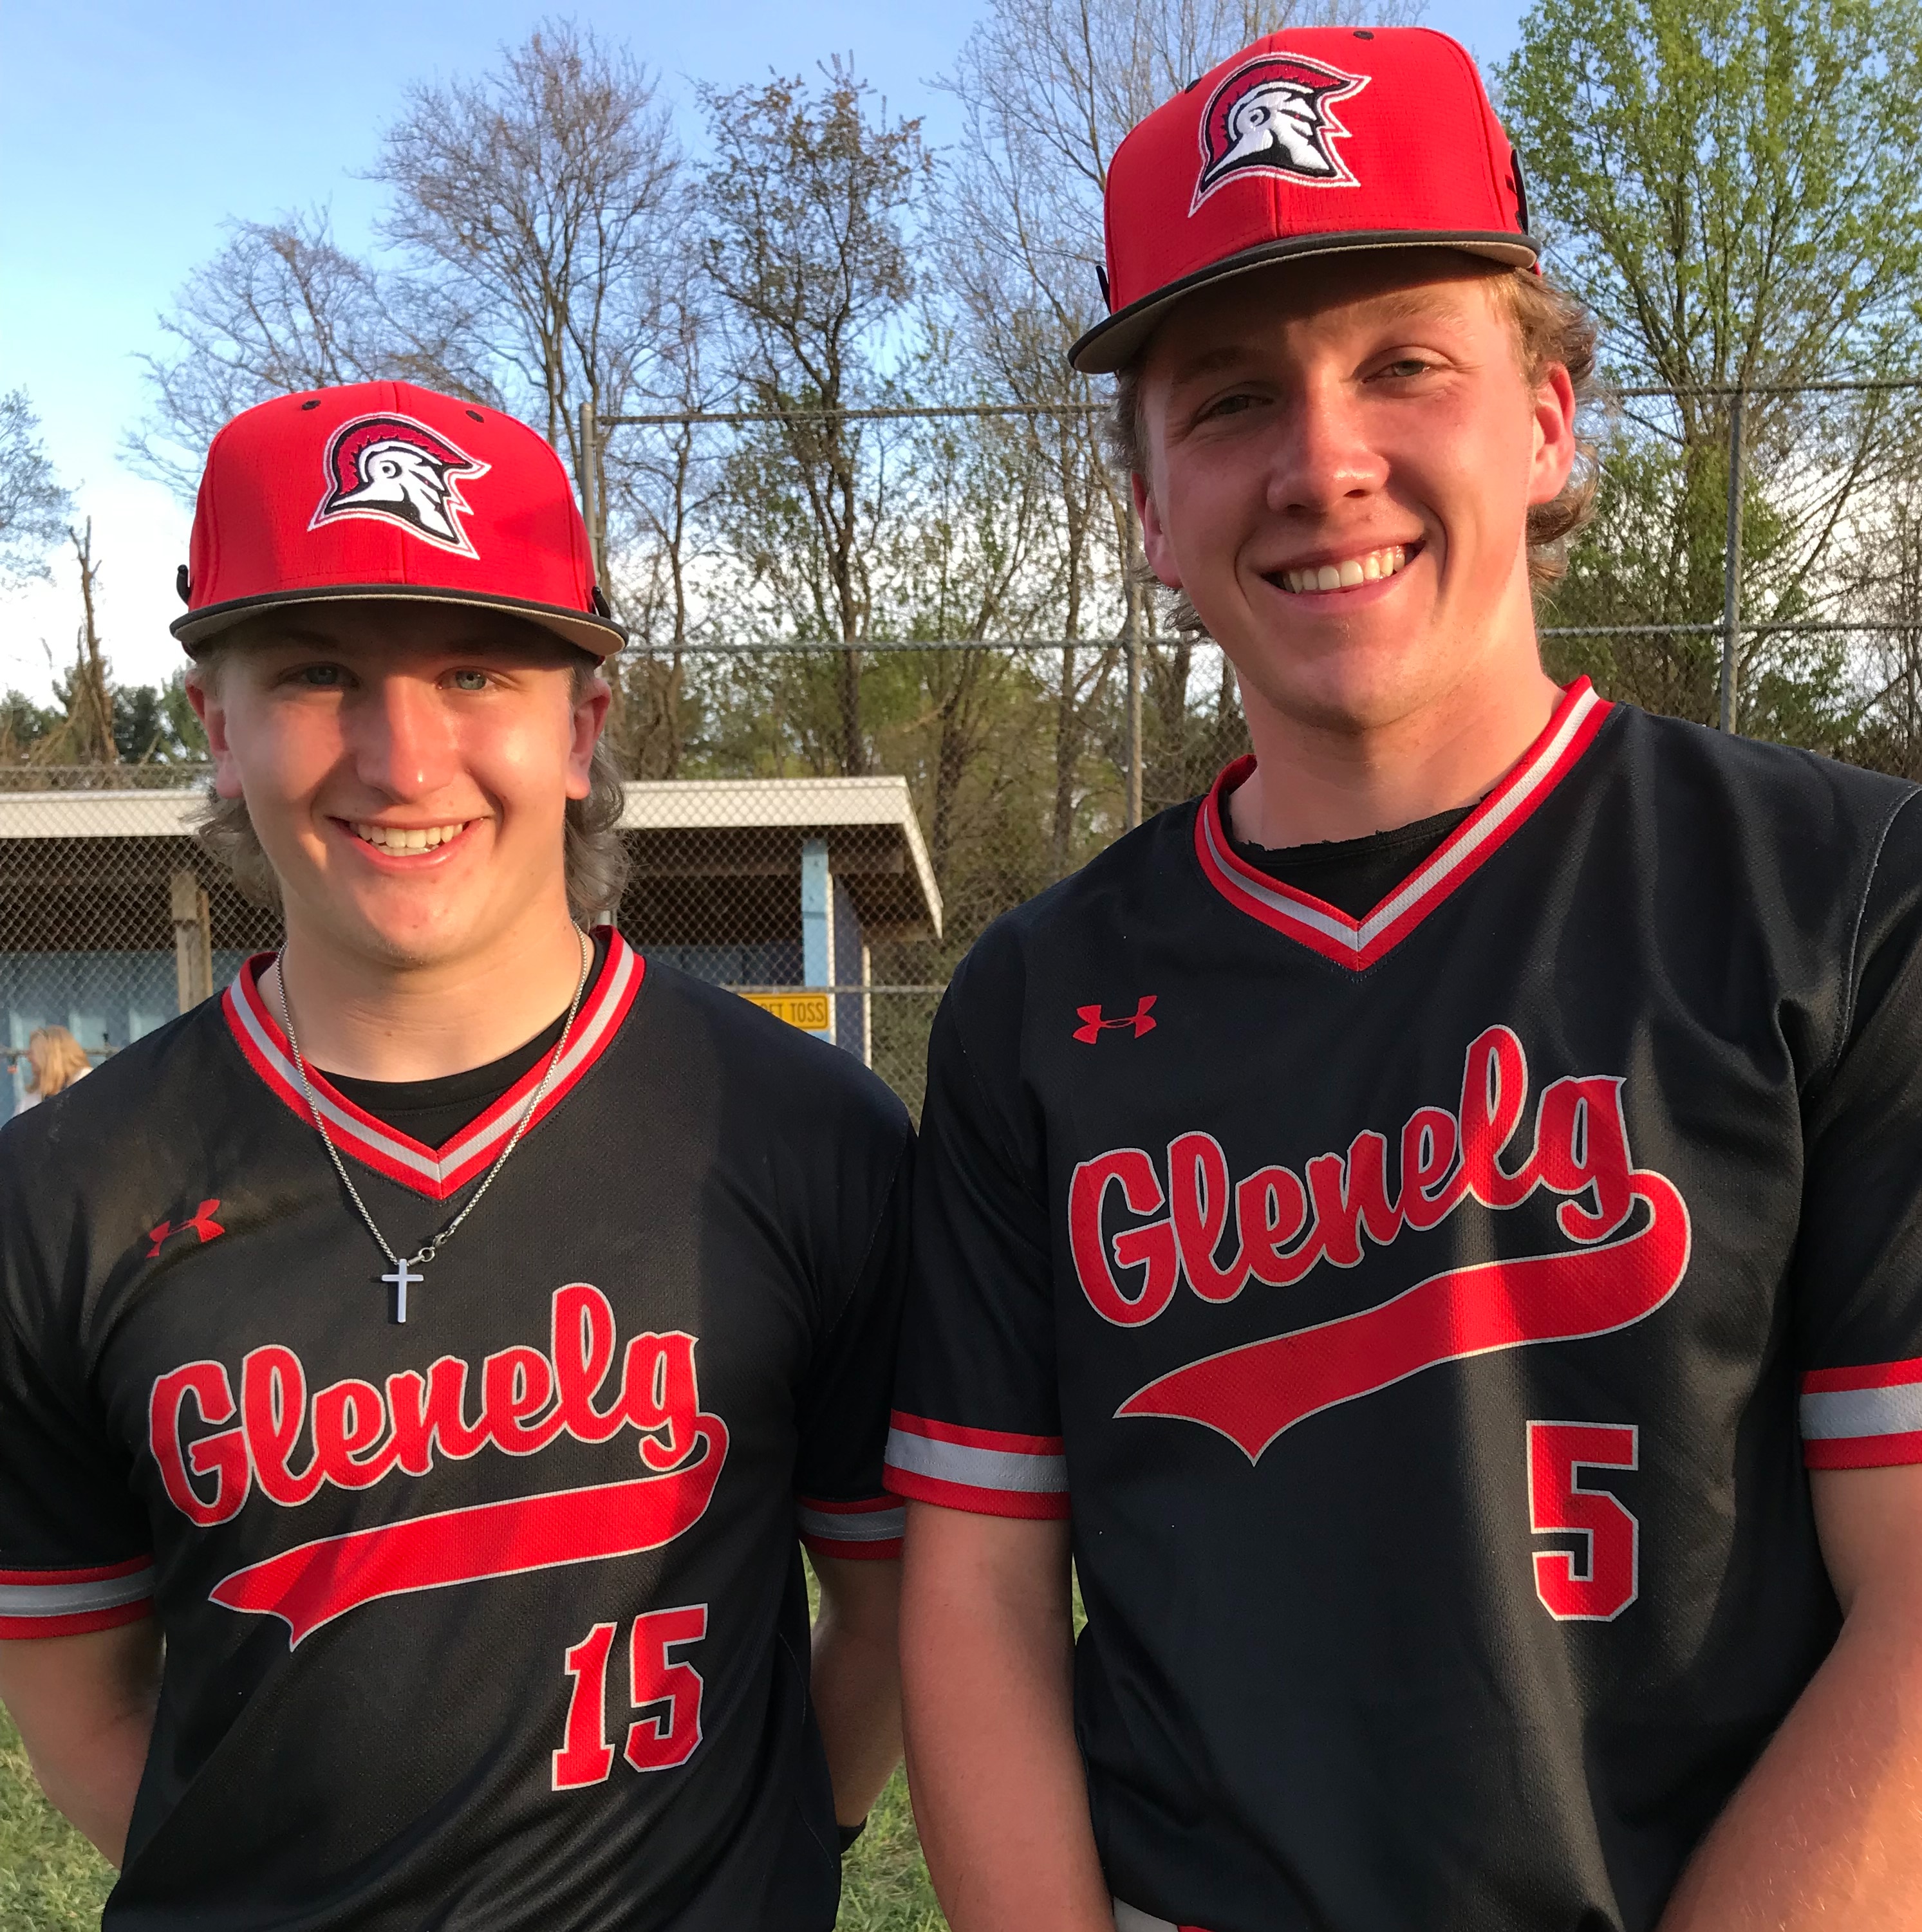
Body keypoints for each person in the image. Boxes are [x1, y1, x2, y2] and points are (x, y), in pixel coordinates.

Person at [888, 26, 1922, 1932]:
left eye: (1401, 366)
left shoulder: (1845, 892)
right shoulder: (1034, 1001)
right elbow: (970, 1585)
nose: (1319, 462)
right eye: (1224, 400)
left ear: (1540, 422)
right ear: (1144, 510)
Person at [0, 380, 910, 1931]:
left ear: (584, 722)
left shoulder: (800, 1127)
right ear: (218, 727)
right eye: (314, 672)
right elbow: (79, 1700)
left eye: (476, 667)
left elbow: (893, 1617)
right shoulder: (65, 1186)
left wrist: (765, 1862)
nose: (400, 755)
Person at [15, 1023, 92, 1111]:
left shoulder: (84, 1080)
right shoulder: (32, 1099)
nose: (28, 1059)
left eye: (33, 1053)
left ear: (49, 1055)